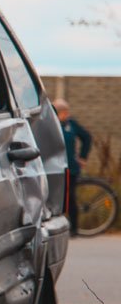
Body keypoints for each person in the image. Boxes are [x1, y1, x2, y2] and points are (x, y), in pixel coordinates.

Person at [54, 98, 92, 234]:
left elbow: (87, 137)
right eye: (64, 112)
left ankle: (74, 228)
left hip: (70, 168)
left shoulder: (71, 124)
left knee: (70, 197)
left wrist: (83, 157)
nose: (67, 114)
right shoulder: (50, 125)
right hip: (54, 168)